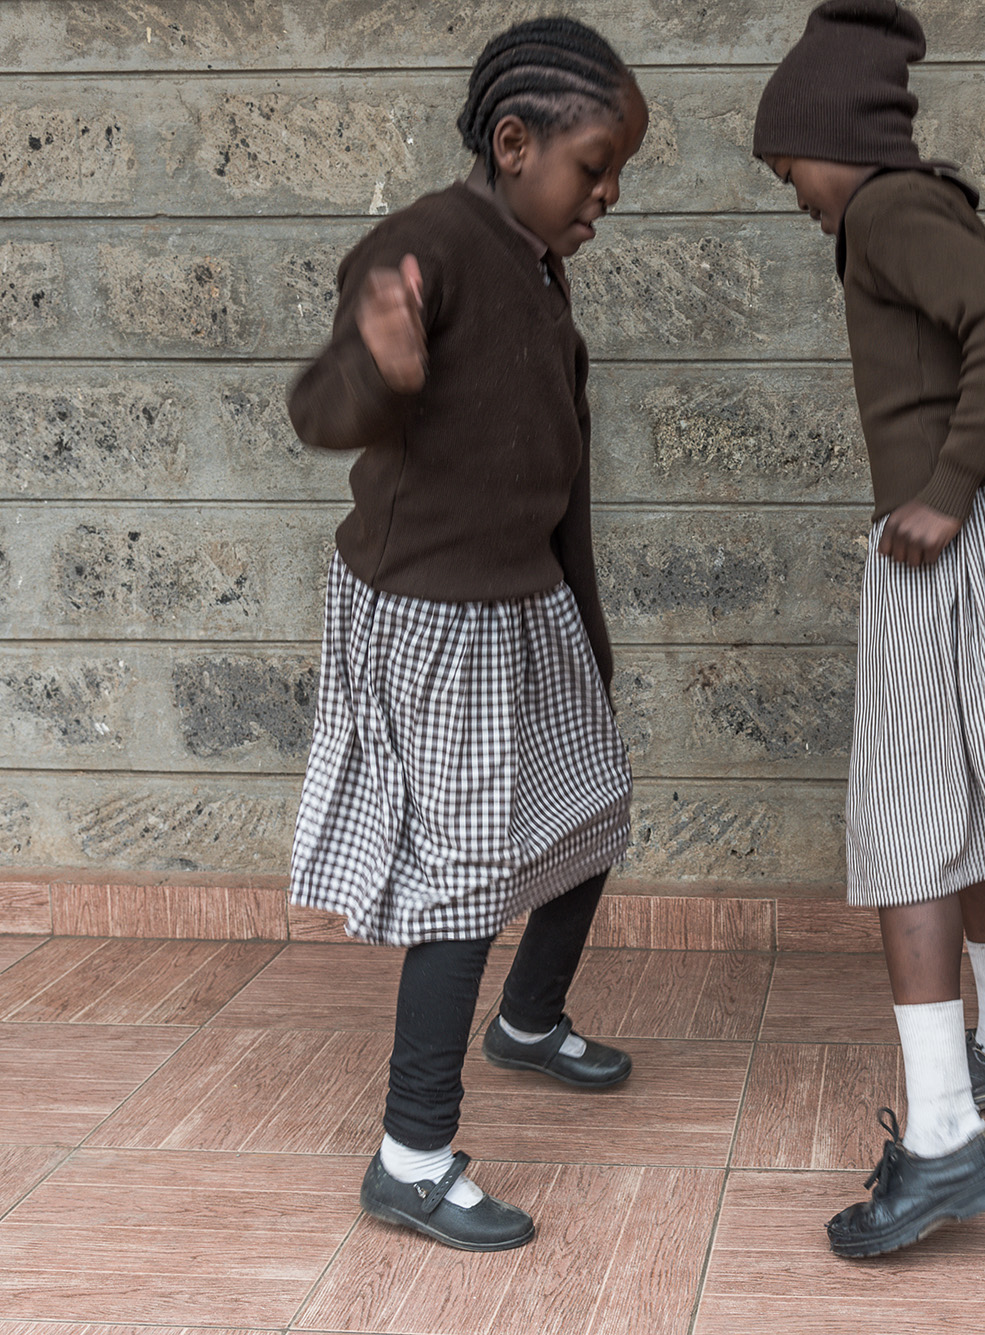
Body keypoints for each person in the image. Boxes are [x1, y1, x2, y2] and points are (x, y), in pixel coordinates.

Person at [753, 0, 985, 1259]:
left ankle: (944, 1137)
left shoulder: (889, 215)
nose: (792, 193)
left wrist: (951, 492)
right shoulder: (955, 223)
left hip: (950, 546)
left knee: (905, 829)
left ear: (833, 141)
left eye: (787, 164)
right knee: (958, 804)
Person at [284, 17, 649, 1251]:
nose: (605, 196)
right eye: (593, 167)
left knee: (592, 799)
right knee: (463, 881)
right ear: (513, 141)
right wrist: (374, 371)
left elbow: (564, 480)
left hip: (523, 602)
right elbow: (320, 407)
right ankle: (410, 1154)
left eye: (616, 177)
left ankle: (529, 1021)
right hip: (436, 616)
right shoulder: (423, 248)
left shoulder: (538, 271)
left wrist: (585, 630)